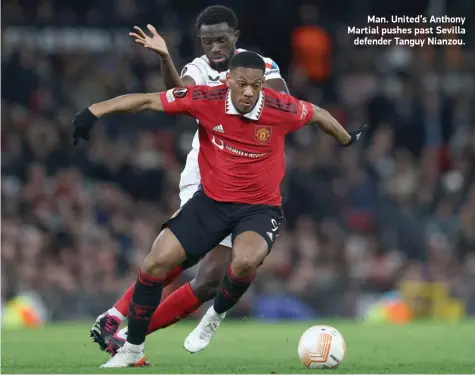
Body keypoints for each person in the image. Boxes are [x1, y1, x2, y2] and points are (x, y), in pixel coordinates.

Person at [72, 51, 367, 367]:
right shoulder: (205, 99)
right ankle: (133, 349)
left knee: (244, 262)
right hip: (211, 203)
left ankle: (214, 316)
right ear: (228, 81)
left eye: (256, 85)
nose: (250, 92)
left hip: (259, 209)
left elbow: (319, 113)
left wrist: (347, 139)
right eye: (242, 84)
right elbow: (147, 101)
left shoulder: (281, 107)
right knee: (156, 263)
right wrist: (95, 110)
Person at [90, 5, 291, 355]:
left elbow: (281, 99)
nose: (214, 48)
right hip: (207, 173)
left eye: (222, 40)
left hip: (248, 176)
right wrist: (166, 58)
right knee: (182, 256)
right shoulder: (196, 69)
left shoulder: (258, 65)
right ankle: (117, 315)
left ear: (236, 38)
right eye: (207, 41)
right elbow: (177, 97)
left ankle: (125, 334)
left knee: (212, 277)